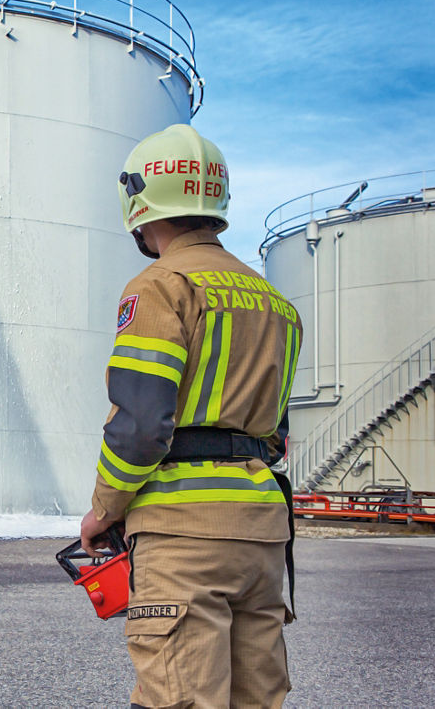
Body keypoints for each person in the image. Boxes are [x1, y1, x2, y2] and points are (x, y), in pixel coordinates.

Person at [79, 124, 301, 708]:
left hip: (183, 533)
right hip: (263, 532)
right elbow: (276, 434)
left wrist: (105, 509)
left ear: (138, 199)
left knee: (181, 697)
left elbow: (141, 423)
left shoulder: (160, 286)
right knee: (256, 698)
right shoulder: (275, 301)